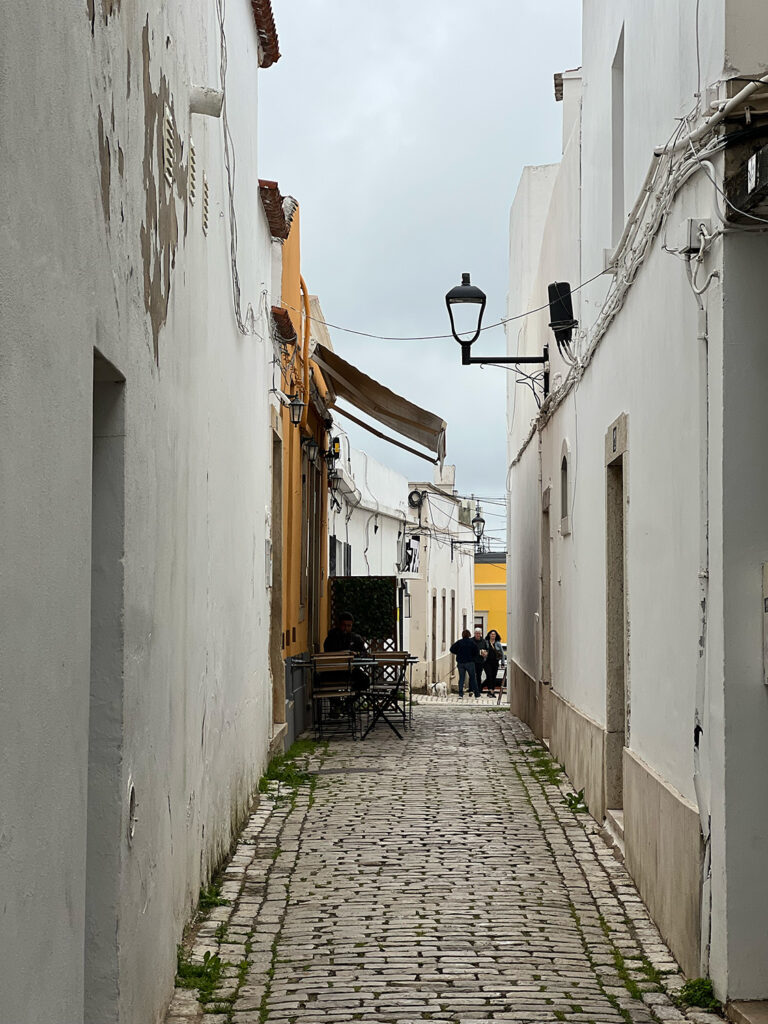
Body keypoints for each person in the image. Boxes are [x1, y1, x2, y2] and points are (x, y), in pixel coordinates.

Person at [322, 612, 369, 691]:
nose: (346, 628)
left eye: (349, 626)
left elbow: (364, 653)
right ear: (339, 624)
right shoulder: (332, 638)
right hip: (334, 670)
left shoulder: (355, 638)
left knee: (365, 681)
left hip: (350, 670)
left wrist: (357, 654)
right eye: (344, 625)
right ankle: (338, 703)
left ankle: (349, 700)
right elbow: (328, 652)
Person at [450, 629, 480, 699]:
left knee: (461, 678)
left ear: (462, 635)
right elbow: (476, 652)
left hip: (461, 663)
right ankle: (477, 694)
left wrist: (458, 653)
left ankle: (460, 694)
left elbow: (452, 649)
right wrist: (472, 657)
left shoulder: (459, 642)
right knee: (473, 678)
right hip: (470, 662)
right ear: (469, 635)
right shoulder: (472, 643)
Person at [481, 629, 505, 695]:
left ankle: (491, 690)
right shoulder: (486, 642)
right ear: (489, 635)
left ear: (496, 635)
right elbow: (482, 650)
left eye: (494, 634)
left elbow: (502, 653)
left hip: (495, 663)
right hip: (487, 662)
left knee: (494, 676)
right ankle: (490, 690)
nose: (493, 635)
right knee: (489, 676)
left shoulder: (498, 643)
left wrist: (502, 662)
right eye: (492, 634)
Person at [473, 626, 489, 694]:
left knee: (479, 675)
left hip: (480, 661)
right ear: (474, 633)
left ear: (481, 634)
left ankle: (479, 689)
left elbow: (487, 650)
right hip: (472, 661)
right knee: (473, 676)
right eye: (476, 633)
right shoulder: (471, 640)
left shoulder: (484, 641)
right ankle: (472, 689)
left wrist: (485, 653)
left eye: (479, 633)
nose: (478, 635)